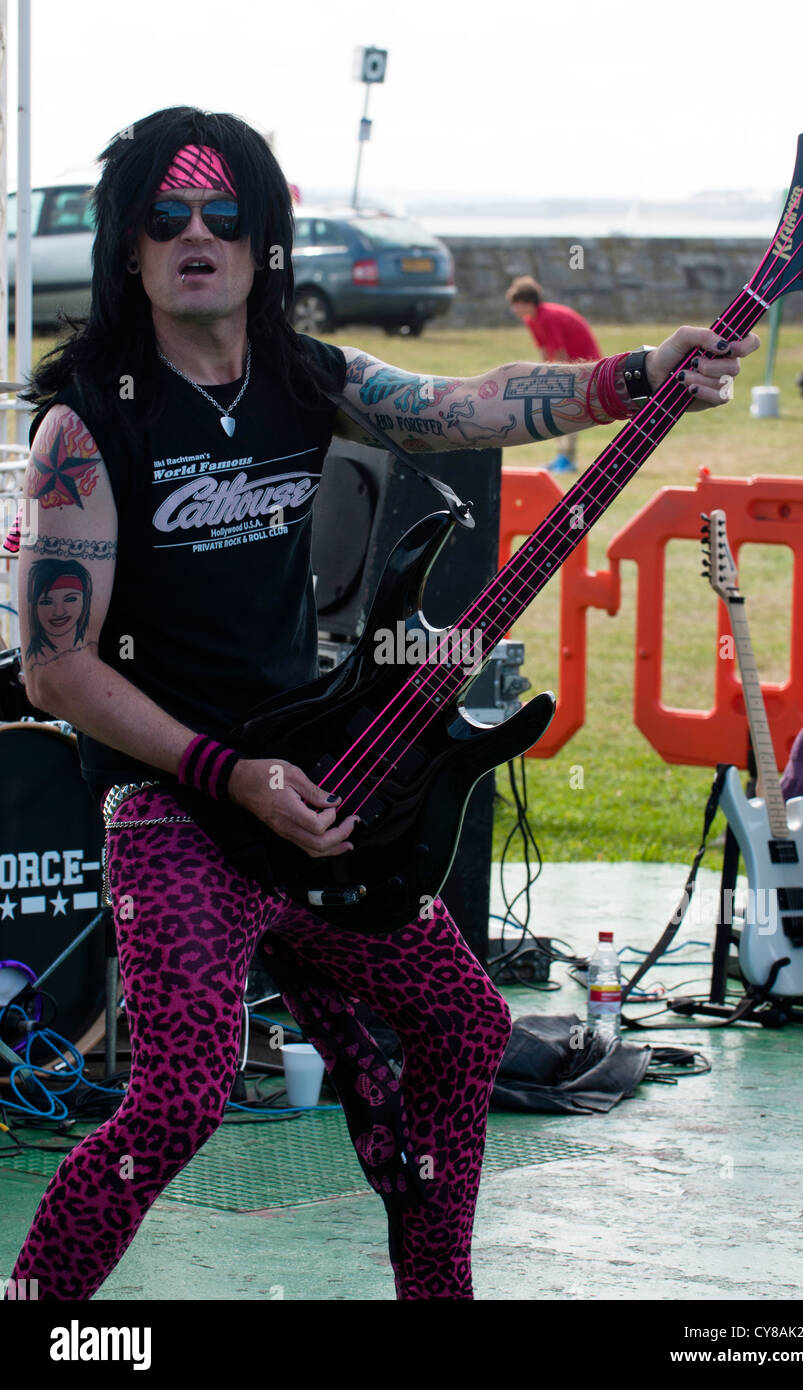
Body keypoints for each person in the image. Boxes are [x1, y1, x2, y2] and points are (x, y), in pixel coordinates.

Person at [4, 105, 758, 1303]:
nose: (196, 233)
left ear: (263, 242)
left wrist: (636, 376)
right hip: (176, 807)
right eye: (165, 216)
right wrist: (224, 775)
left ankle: (433, 1288)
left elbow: (469, 403)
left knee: (463, 1026)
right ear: (127, 248)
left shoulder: (308, 381)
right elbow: (55, 667)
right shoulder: (85, 427)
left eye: (224, 212)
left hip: (318, 795)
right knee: (183, 1098)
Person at [506, 274, 602, 472]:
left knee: (570, 410)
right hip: (568, 366)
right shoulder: (532, 320)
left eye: (516, 304)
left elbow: (559, 351)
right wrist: (543, 376)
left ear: (526, 302)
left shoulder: (547, 317)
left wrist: (556, 378)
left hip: (584, 366)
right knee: (557, 411)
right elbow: (544, 349)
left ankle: (568, 460)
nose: (513, 309)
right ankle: (562, 458)